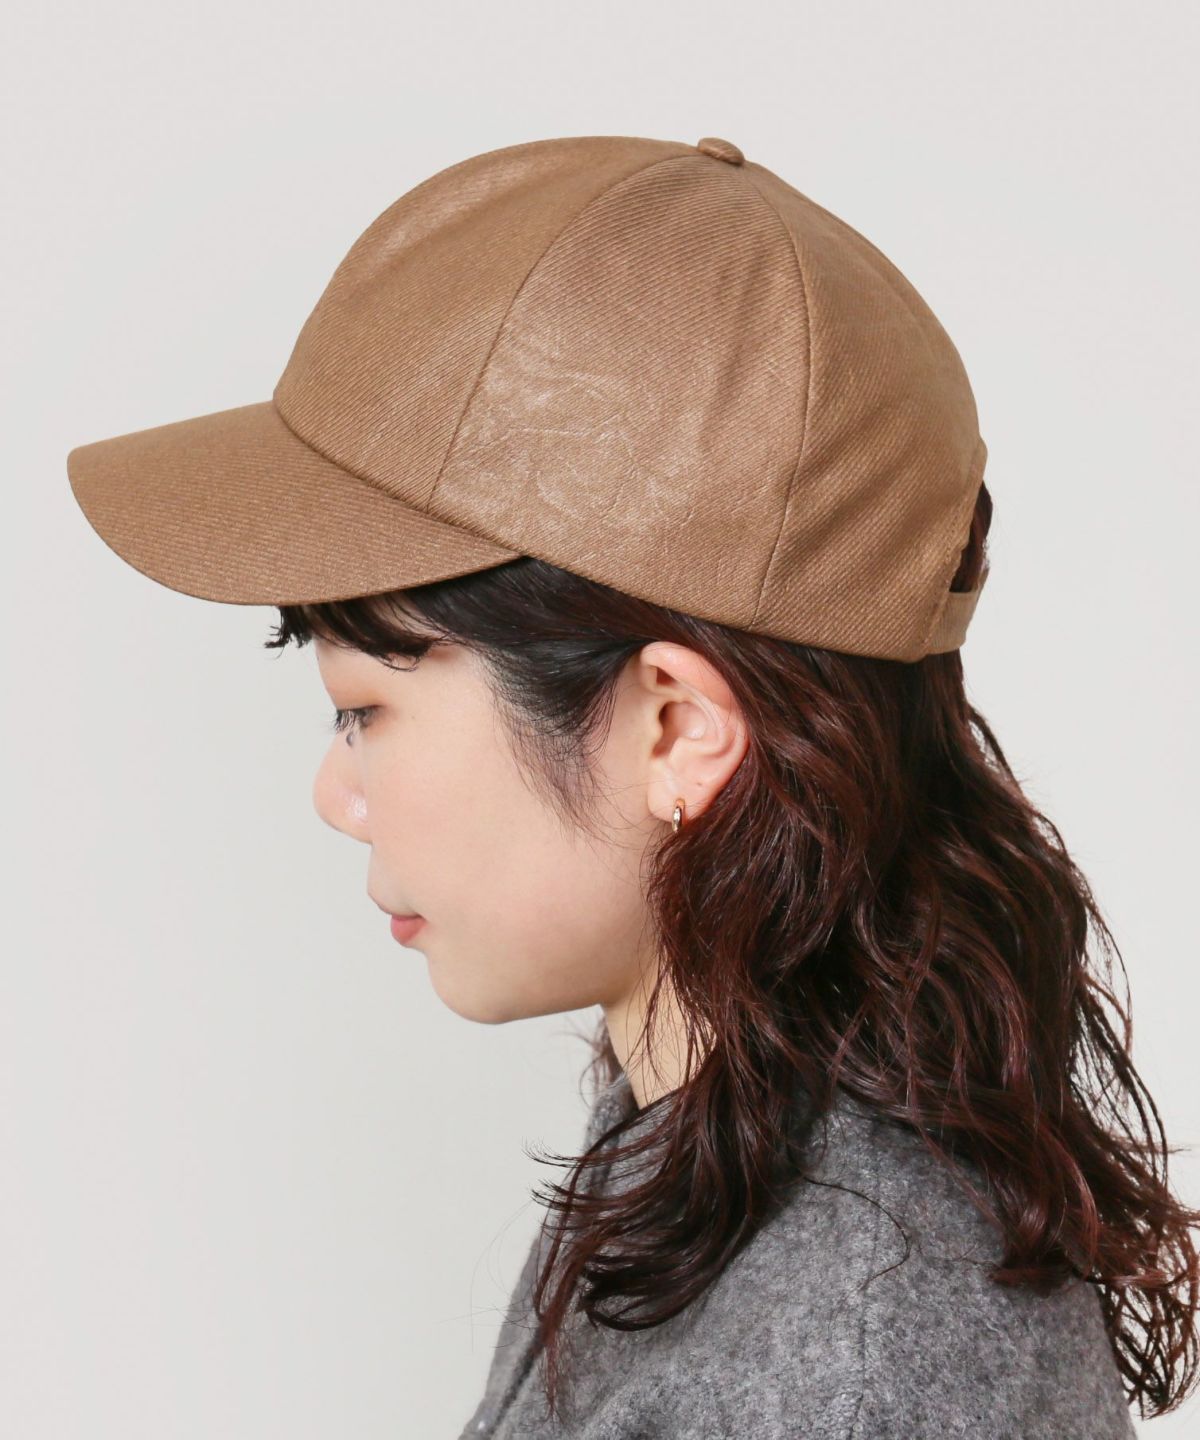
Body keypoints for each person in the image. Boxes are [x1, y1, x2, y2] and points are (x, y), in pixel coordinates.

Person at [65, 133, 1197, 1437]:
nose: (339, 794)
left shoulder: (849, 1365)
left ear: (675, 729)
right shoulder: (713, 1141)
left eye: (364, 710)